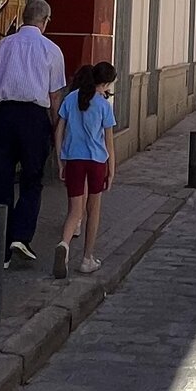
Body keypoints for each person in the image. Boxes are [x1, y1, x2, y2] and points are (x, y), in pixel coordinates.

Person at [0, 0, 66, 263]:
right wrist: (55, 127)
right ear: (45, 21)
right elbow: (56, 95)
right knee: (32, 179)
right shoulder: (51, 50)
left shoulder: (2, 46)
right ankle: (20, 236)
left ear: (24, 18)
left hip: (2, 116)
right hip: (35, 118)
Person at [52, 61, 117, 277]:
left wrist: (61, 160)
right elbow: (109, 142)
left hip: (74, 160)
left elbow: (59, 131)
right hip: (97, 161)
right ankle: (87, 258)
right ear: (106, 83)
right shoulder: (103, 106)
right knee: (93, 211)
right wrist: (112, 169)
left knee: (75, 211)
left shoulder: (71, 99)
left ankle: (64, 244)